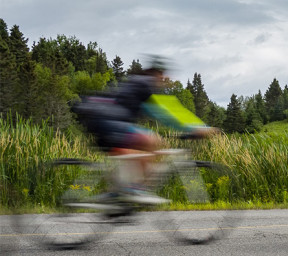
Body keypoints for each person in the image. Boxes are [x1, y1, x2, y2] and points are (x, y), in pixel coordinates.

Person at [75, 56, 215, 205]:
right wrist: (197, 128)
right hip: (109, 123)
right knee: (152, 140)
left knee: (133, 157)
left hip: (101, 126)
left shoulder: (135, 83)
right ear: (156, 74)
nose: (164, 79)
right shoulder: (145, 84)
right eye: (162, 75)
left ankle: (115, 194)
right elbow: (166, 113)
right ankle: (136, 189)